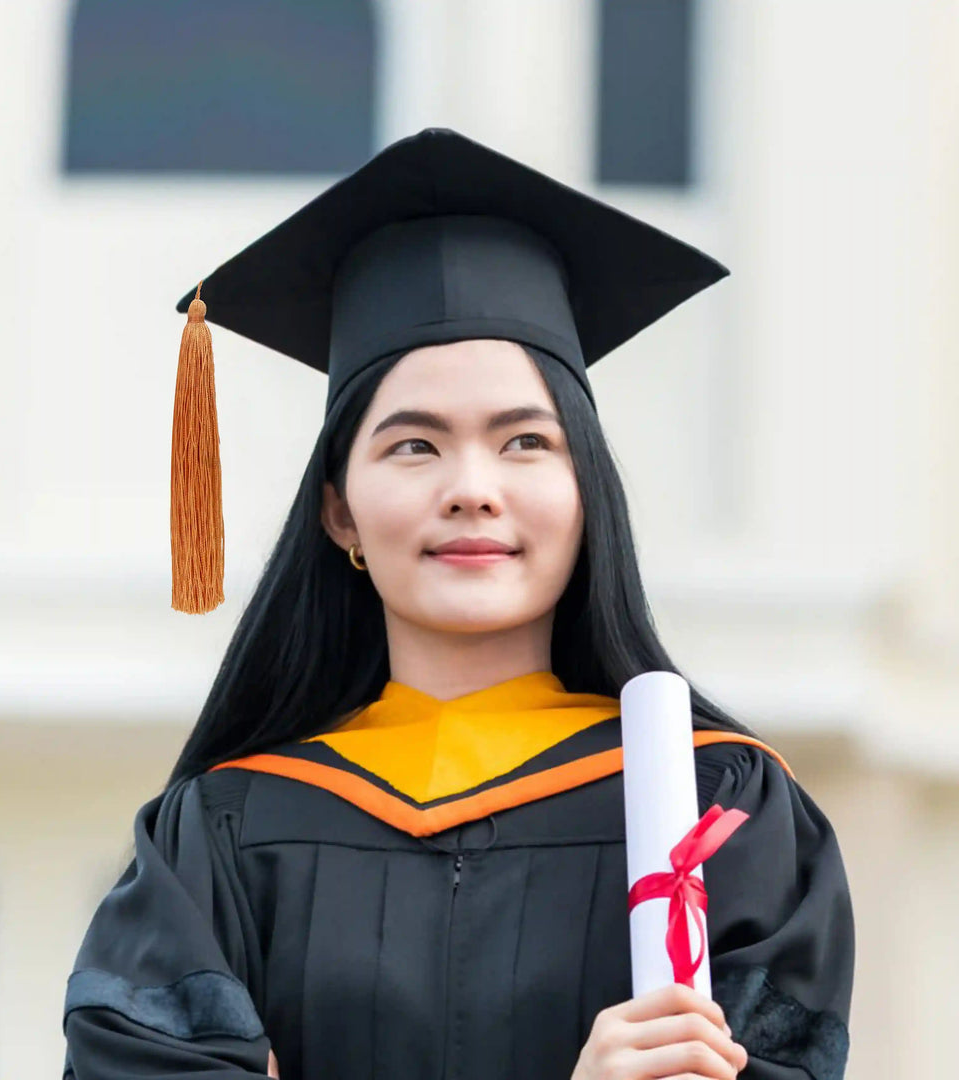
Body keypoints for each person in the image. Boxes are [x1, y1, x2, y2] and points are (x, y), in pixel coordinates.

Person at [61, 128, 854, 1080]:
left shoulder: (720, 819)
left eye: (525, 443)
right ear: (339, 512)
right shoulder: (220, 841)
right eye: (414, 446)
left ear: (587, 492)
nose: (473, 487)